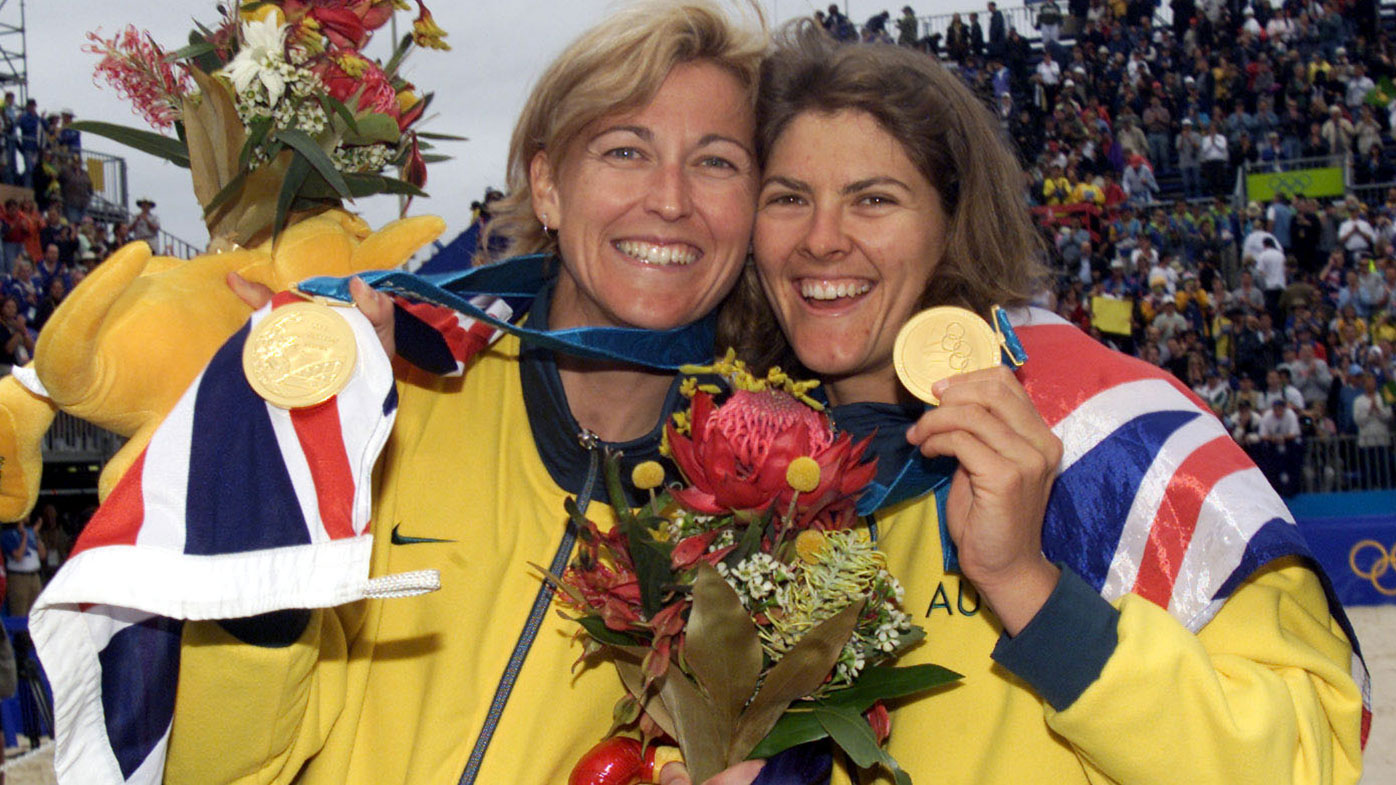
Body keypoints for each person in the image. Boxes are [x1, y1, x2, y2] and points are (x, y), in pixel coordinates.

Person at [732, 24, 1364, 784]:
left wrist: (1032, 590)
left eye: (874, 199)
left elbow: (1303, 761)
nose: (821, 239)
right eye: (788, 198)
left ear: (954, 223)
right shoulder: (738, 459)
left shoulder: (1110, 431)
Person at [164, 4, 767, 785]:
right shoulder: (389, 395)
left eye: (716, 162)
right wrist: (274, 527)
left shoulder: (762, 511)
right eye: (625, 150)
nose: (671, 199)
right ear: (547, 186)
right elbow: (218, 763)